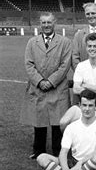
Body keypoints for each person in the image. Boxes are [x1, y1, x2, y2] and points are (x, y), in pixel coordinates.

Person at [37, 90, 96, 170]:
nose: (87, 109)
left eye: (90, 106)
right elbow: (63, 153)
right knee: (41, 158)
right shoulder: (71, 127)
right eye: (84, 105)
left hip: (90, 164)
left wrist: (80, 163)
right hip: (73, 162)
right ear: (79, 105)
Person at [22, 13, 72, 159]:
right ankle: (38, 151)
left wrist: (50, 81)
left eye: (49, 22)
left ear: (54, 22)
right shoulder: (32, 42)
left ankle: (58, 151)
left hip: (57, 87)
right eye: (43, 22)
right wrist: (39, 81)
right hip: (38, 87)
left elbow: (65, 65)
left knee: (58, 121)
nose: (46, 25)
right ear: (40, 23)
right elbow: (28, 64)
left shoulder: (64, 42)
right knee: (39, 120)